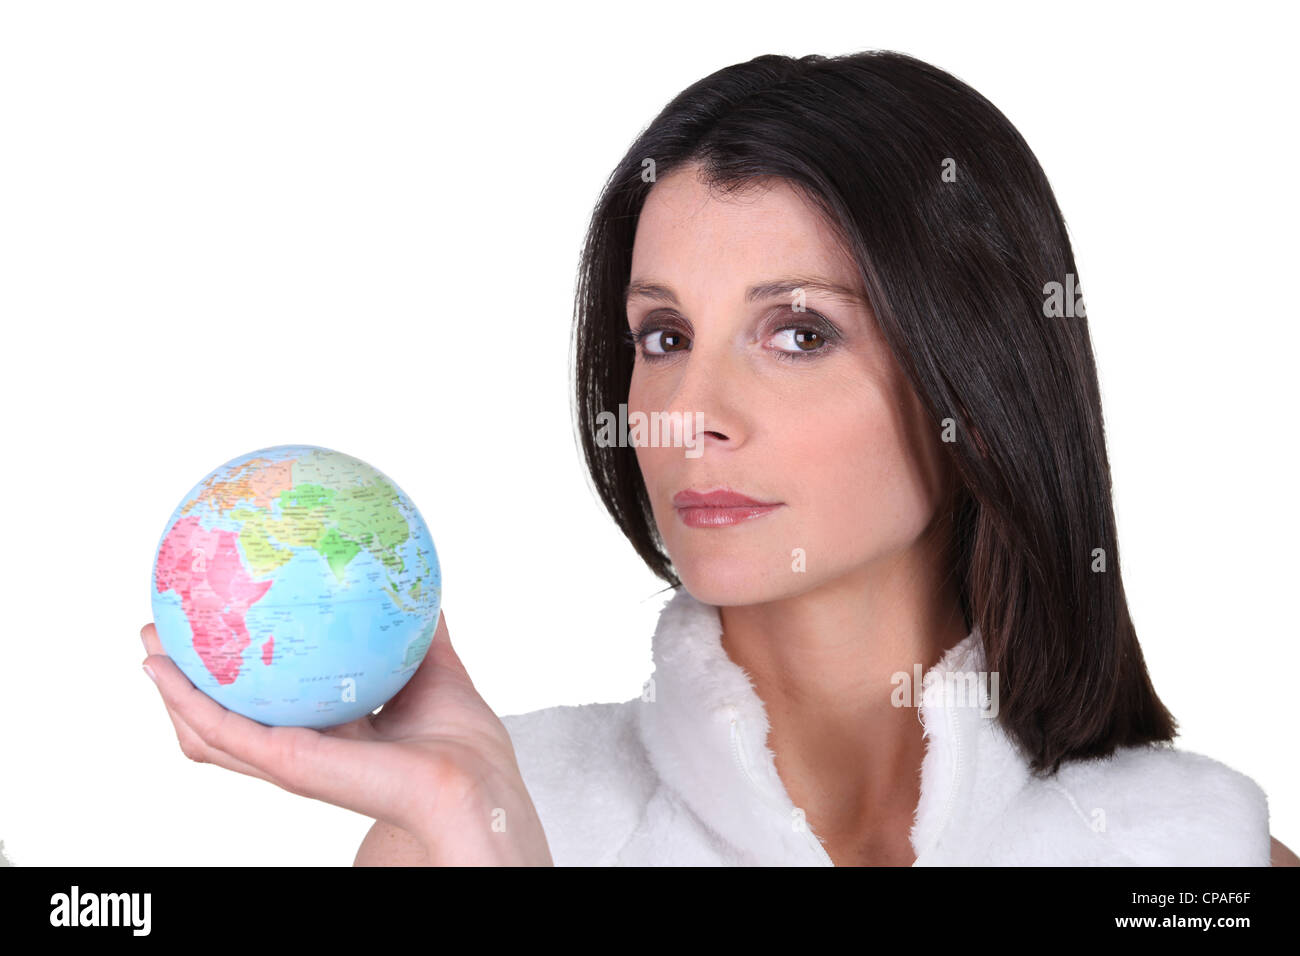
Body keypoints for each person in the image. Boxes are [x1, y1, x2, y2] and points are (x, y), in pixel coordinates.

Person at [141, 49, 1297, 867]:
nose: (684, 411)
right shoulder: (484, 821)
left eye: (798, 331)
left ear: (976, 391)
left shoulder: (1200, 858)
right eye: (662, 336)